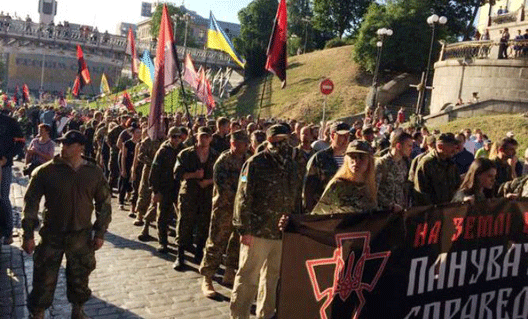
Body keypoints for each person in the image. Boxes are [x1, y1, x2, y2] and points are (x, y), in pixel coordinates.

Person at [21, 130, 112, 319]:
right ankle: (37, 313)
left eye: (68, 144)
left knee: (80, 277)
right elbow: (30, 204)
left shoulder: (93, 172)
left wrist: (100, 232)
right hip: (52, 235)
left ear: (80, 148)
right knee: (43, 278)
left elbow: (104, 204)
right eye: (62, 144)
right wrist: (28, 234)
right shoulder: (46, 171)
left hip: (81, 236)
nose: (63, 147)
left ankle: (78, 310)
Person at [230, 124, 302, 319]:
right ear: (269, 141)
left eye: (286, 140)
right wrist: (244, 229)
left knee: (272, 280)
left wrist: (294, 223)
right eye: (278, 140)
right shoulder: (255, 163)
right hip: (257, 231)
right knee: (248, 279)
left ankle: (266, 314)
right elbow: (242, 198)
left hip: (280, 232)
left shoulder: (293, 165)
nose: (283, 145)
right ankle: (239, 316)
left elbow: (296, 196)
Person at [199, 130, 249, 298]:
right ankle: (207, 278)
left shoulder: (248, 159)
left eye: (244, 143)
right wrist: (240, 197)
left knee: (236, 241)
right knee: (216, 241)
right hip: (224, 207)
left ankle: (229, 272)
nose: (243, 147)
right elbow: (223, 187)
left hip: (240, 209)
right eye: (239, 143)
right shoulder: (223, 160)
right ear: (232, 143)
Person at [173, 127, 219, 269]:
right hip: (189, 194)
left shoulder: (215, 156)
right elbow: (177, 173)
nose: (204, 139)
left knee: (204, 225)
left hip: (206, 196)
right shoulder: (186, 154)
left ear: (211, 138)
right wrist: (194, 175)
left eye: (207, 136)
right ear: (197, 136)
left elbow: (220, 176)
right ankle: (180, 256)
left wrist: (208, 182)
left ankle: (199, 254)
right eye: (202, 136)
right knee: (184, 224)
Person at [311, 140, 378, 215]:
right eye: (352, 157)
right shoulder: (338, 185)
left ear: (370, 161)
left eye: (361, 157)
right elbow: (318, 215)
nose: (356, 161)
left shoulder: (370, 185)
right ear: (346, 159)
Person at [148, 126, 185, 253]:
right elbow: (154, 171)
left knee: (182, 215)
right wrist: (155, 190)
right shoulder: (163, 151)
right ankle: (162, 242)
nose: (176, 140)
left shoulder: (183, 150)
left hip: (178, 187)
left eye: (178, 137)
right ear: (169, 137)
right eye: (174, 137)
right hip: (165, 187)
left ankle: (182, 241)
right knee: (162, 216)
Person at [303, 122, 350, 213]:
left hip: (346, 212)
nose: (346, 139)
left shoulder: (352, 159)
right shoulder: (320, 158)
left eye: (348, 135)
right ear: (332, 136)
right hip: (324, 212)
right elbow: (308, 190)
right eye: (342, 136)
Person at [413, 133, 461, 205]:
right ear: (440, 146)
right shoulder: (427, 163)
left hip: (450, 208)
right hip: (432, 210)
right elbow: (420, 192)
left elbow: (457, 186)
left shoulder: (451, 163)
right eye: (451, 146)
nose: (455, 149)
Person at [0, 111, 24, 245]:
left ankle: (8, 232)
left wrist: (7, 158)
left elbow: (20, 142)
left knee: (3, 198)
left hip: (4, 165)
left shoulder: (9, 122)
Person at [375, 131, 413, 212]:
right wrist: (390, 205)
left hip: (400, 213)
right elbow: (373, 191)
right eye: (409, 146)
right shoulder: (381, 164)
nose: (411, 149)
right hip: (383, 214)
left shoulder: (405, 164)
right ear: (398, 146)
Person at [118, 124, 141, 210]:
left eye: (140, 132)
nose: (139, 134)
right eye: (137, 132)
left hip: (135, 166)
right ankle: (121, 201)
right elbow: (123, 157)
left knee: (134, 184)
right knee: (124, 182)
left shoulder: (140, 144)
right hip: (127, 165)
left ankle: (132, 201)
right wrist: (123, 169)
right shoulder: (127, 143)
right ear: (133, 133)